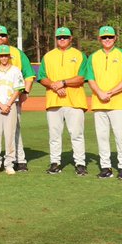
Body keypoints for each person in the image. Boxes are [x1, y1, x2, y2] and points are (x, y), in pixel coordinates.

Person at [0, 25, 36, 170]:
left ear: (7, 37)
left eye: (3, 35)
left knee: (14, 130)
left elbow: (29, 75)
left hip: (12, 100)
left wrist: (25, 93)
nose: (0, 38)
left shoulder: (17, 53)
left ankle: (20, 159)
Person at [85, 26, 122, 181]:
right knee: (102, 136)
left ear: (115, 38)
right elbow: (90, 79)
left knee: (121, 136)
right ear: (99, 39)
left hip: (118, 102)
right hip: (99, 102)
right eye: (104, 37)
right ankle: (106, 167)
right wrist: (100, 93)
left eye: (110, 37)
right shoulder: (93, 57)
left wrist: (111, 92)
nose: (107, 40)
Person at [37, 27, 89, 176]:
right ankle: (55, 163)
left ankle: (80, 163)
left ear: (71, 38)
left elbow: (81, 78)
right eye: (59, 37)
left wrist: (63, 83)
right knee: (54, 135)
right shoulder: (48, 56)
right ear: (56, 39)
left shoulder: (79, 55)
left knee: (77, 134)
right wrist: (54, 85)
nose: (62, 39)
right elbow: (42, 77)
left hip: (75, 101)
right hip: (54, 101)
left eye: (65, 37)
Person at [0, 45, 25, 175]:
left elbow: (18, 89)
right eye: (1, 55)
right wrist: (0, 104)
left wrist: (8, 104)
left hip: (11, 105)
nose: (3, 58)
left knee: (10, 135)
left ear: (9, 56)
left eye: (5, 55)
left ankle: (9, 163)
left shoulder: (15, 71)